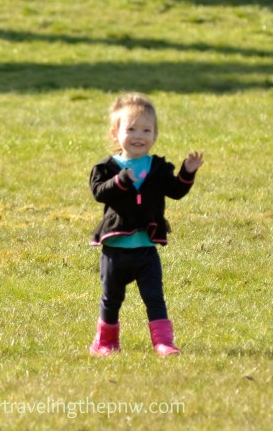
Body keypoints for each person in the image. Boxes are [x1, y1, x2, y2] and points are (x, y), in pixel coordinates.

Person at [87, 93, 203, 357]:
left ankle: (164, 343)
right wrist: (120, 181)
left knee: (154, 297)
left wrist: (187, 172)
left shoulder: (159, 168)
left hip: (146, 251)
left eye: (146, 130)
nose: (139, 136)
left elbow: (175, 191)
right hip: (115, 251)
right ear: (115, 134)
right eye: (131, 129)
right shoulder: (106, 168)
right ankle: (105, 343)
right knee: (111, 299)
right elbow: (98, 192)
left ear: (155, 135)